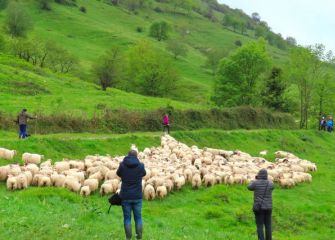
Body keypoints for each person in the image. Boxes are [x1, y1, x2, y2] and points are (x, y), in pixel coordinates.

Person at [117, 150, 146, 240]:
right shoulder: (141, 166)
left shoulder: (122, 165)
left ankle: (128, 238)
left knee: (127, 218)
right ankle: (139, 238)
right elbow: (144, 174)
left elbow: (118, 173)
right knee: (138, 218)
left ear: (128, 156)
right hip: (137, 196)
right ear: (136, 156)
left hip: (125, 196)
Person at [248, 169, 274, 240]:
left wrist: (253, 180)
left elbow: (249, 187)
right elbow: (272, 187)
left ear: (259, 175)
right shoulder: (270, 183)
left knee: (260, 225)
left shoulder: (255, 183)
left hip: (259, 207)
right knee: (268, 225)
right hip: (268, 208)